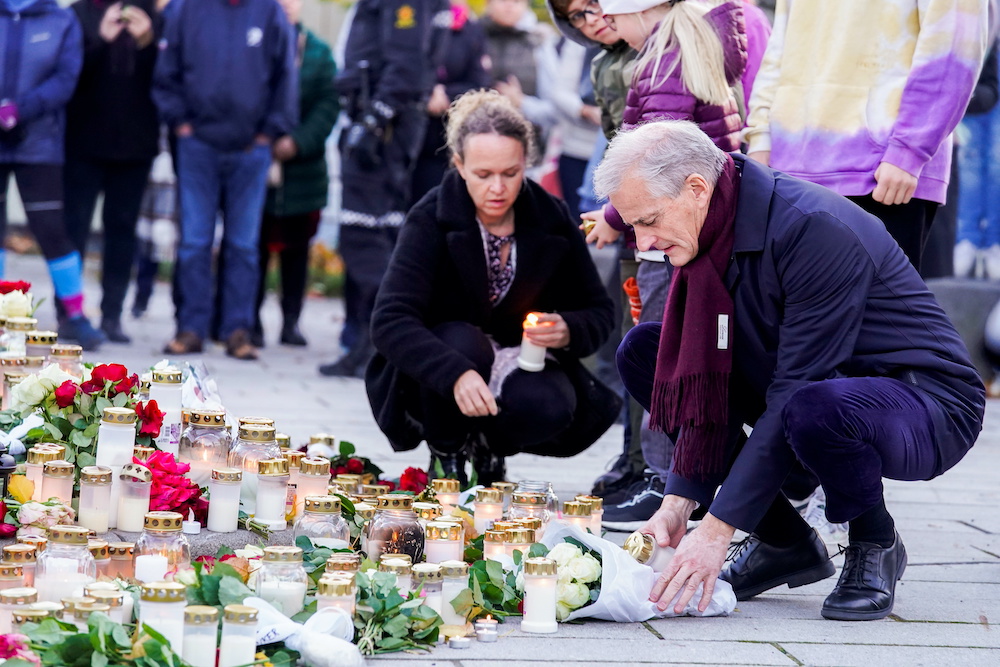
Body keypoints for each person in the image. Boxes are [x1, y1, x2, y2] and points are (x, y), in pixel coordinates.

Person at [597, 120, 985, 621]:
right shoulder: (706, 227)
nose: (644, 241)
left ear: (696, 187)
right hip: (811, 391)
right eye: (633, 226)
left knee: (812, 407)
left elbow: (795, 389)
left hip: (926, 404)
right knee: (647, 353)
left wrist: (716, 531)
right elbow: (704, 379)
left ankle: (875, 540)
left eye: (648, 220)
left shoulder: (811, 226)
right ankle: (784, 543)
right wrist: (679, 503)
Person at [366, 90, 620, 485]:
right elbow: (390, 320)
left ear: (526, 164)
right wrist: (455, 374)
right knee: (463, 344)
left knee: (551, 406)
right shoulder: (430, 217)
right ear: (460, 165)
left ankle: (490, 448)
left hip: (519, 359)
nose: (498, 188)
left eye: (510, 173)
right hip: (439, 363)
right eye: (484, 175)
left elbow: (599, 311)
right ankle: (446, 448)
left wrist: (567, 328)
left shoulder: (549, 216)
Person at [581, 0, 747, 529]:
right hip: (703, 224)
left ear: (642, 11)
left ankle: (663, 481)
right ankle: (682, 478)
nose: (608, 26)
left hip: (669, 232)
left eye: (614, 15)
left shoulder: (663, 59)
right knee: (682, 352)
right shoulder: (697, 43)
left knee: (661, 354)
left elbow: (655, 158)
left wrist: (615, 214)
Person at [744, 0, 991, 272]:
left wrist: (909, 149)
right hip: (789, 168)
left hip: (881, 172)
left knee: (875, 313)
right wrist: (761, 137)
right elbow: (781, 43)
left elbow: (955, 41)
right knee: (798, 313)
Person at [153, 0, 297, 360]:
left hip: (251, 150)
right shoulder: (186, 10)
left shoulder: (269, 13)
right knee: (194, 242)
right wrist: (181, 125)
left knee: (244, 246)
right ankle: (191, 329)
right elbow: (165, 75)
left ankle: (237, 331)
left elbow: (285, 78)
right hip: (198, 146)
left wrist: (269, 132)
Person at [321, 0, 443, 378]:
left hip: (383, 130)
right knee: (383, 236)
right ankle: (372, 347)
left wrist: (373, 121)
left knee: (362, 238)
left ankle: (387, 343)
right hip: (381, 124)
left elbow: (406, 67)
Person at [0, 0, 105, 350]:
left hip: (39, 142)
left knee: (51, 229)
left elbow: (65, 78)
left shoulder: (62, 21)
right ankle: (2, 318)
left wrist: (21, 109)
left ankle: (75, 315)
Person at [64, 0, 161, 344]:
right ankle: (69, 313)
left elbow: (166, 80)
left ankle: (112, 314)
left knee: (122, 233)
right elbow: (68, 76)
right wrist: (101, 41)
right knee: (74, 229)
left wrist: (147, 42)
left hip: (134, 147)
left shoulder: (150, 15)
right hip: (82, 143)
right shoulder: (78, 15)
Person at [252, 0, 339, 349]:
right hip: (259, 164)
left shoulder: (318, 52)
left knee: (297, 250)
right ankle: (249, 320)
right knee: (254, 248)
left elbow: (328, 104)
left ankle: (291, 321)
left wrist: (298, 141)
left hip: (304, 172)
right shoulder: (255, 43)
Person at [410, 0, 491, 204]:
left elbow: (479, 81)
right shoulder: (414, 18)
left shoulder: (471, 30)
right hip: (409, 128)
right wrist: (426, 91)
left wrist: (445, 94)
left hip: (447, 136)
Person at [482, 0, 560, 145]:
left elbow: (554, 107)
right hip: (477, 135)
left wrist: (522, 102)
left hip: (526, 140)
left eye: (516, 1)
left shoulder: (539, 41)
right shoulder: (473, 35)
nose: (509, 5)